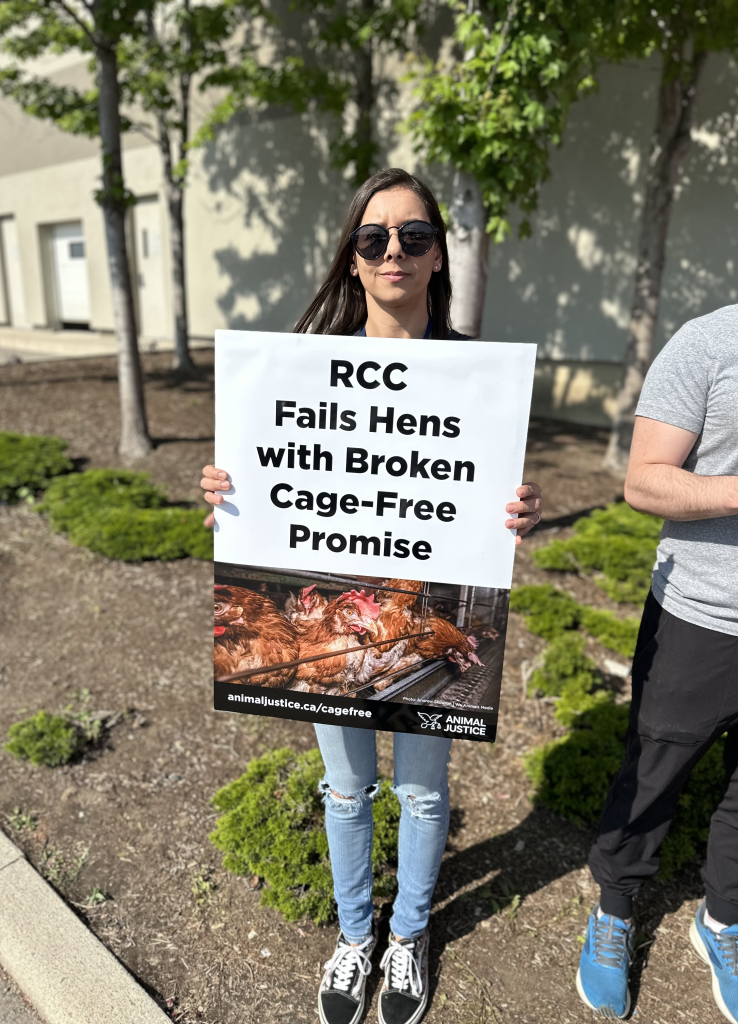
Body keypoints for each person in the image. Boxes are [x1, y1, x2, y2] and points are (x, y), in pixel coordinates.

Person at [201, 167, 543, 1024]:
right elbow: (270, 483)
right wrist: (227, 491)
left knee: (424, 794)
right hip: (333, 624)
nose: (395, 251)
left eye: (414, 236)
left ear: (436, 257)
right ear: (353, 261)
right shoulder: (300, 370)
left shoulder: (476, 378)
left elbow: (471, 497)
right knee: (346, 789)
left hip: (422, 608)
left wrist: (514, 510)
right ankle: (357, 935)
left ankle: (407, 936)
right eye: (375, 237)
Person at [576, 304, 738, 1022]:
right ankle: (615, 908)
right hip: (704, 616)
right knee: (654, 771)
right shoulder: (708, 343)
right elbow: (644, 482)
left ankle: (724, 919)